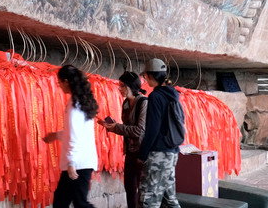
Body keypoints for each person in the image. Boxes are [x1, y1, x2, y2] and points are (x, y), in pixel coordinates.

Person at [43, 65, 99, 208]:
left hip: (78, 163)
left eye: (59, 82)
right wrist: (56, 135)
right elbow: (74, 132)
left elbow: (75, 135)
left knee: (80, 203)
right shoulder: (79, 102)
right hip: (80, 161)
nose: (59, 86)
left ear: (66, 81)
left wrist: (71, 163)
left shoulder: (75, 106)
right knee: (62, 202)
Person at [138, 58, 183, 208]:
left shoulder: (156, 96)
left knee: (149, 200)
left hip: (159, 154)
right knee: (169, 199)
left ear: (150, 76)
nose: (145, 80)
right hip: (172, 153)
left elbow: (152, 129)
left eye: (145, 76)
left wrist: (142, 154)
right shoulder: (174, 94)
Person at [99, 71, 148, 208]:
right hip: (130, 151)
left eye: (122, 86)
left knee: (142, 190)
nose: (119, 89)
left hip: (142, 153)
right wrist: (111, 126)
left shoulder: (144, 102)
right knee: (129, 188)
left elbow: (139, 130)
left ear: (131, 86)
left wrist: (116, 127)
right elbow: (126, 127)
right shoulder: (126, 103)